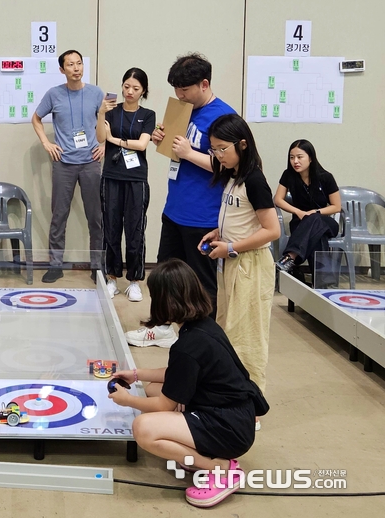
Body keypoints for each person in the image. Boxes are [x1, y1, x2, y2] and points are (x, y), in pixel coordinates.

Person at [108, 259, 267, 508]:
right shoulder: (203, 327)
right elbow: (179, 374)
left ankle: (221, 468)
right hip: (235, 413)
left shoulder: (188, 345)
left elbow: (163, 404)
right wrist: (137, 374)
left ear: (166, 302)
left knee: (143, 428)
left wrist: (126, 400)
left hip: (229, 428)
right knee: (152, 388)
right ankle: (200, 451)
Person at [127, 53, 235, 348]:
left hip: (204, 216)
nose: (179, 95)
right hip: (175, 209)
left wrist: (189, 153)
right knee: (163, 274)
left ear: (204, 84)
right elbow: (175, 150)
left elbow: (230, 165)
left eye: (185, 90)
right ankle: (160, 328)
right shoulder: (183, 110)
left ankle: (204, 341)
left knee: (201, 283)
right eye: (176, 89)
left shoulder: (224, 117)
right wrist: (163, 139)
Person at [198, 114, 280, 430]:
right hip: (231, 260)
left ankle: (252, 407)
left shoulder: (255, 180)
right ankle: (233, 398)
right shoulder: (233, 176)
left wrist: (232, 247)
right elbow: (239, 219)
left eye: (222, 149)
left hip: (251, 266)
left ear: (242, 144)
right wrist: (218, 235)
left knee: (247, 337)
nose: (218, 155)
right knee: (228, 332)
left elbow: (271, 230)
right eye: (214, 149)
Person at [32, 49, 104, 283]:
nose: (76, 68)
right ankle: (55, 265)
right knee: (59, 215)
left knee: (95, 216)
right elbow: (36, 118)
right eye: (71, 65)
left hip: (91, 163)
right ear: (62, 70)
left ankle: (97, 266)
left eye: (79, 63)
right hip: (63, 163)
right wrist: (46, 143)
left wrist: (104, 145)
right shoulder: (54, 94)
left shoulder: (96, 93)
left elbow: (105, 123)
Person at [96, 68, 156, 302]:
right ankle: (111, 278)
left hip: (136, 178)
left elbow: (142, 145)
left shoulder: (148, 115)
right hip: (111, 175)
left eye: (136, 88)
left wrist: (115, 140)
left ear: (143, 91)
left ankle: (134, 281)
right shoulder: (111, 111)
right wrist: (101, 114)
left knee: (135, 229)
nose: (129, 92)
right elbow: (100, 137)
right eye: (126, 86)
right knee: (110, 228)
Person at [274, 140, 340, 275]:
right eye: (292, 157)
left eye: (300, 157)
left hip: (325, 222)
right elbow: (277, 199)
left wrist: (314, 212)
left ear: (310, 158)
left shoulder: (326, 177)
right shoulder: (288, 175)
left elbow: (336, 207)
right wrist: (298, 212)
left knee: (315, 219)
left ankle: (290, 257)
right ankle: (321, 281)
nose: (295, 161)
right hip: (300, 222)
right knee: (318, 238)